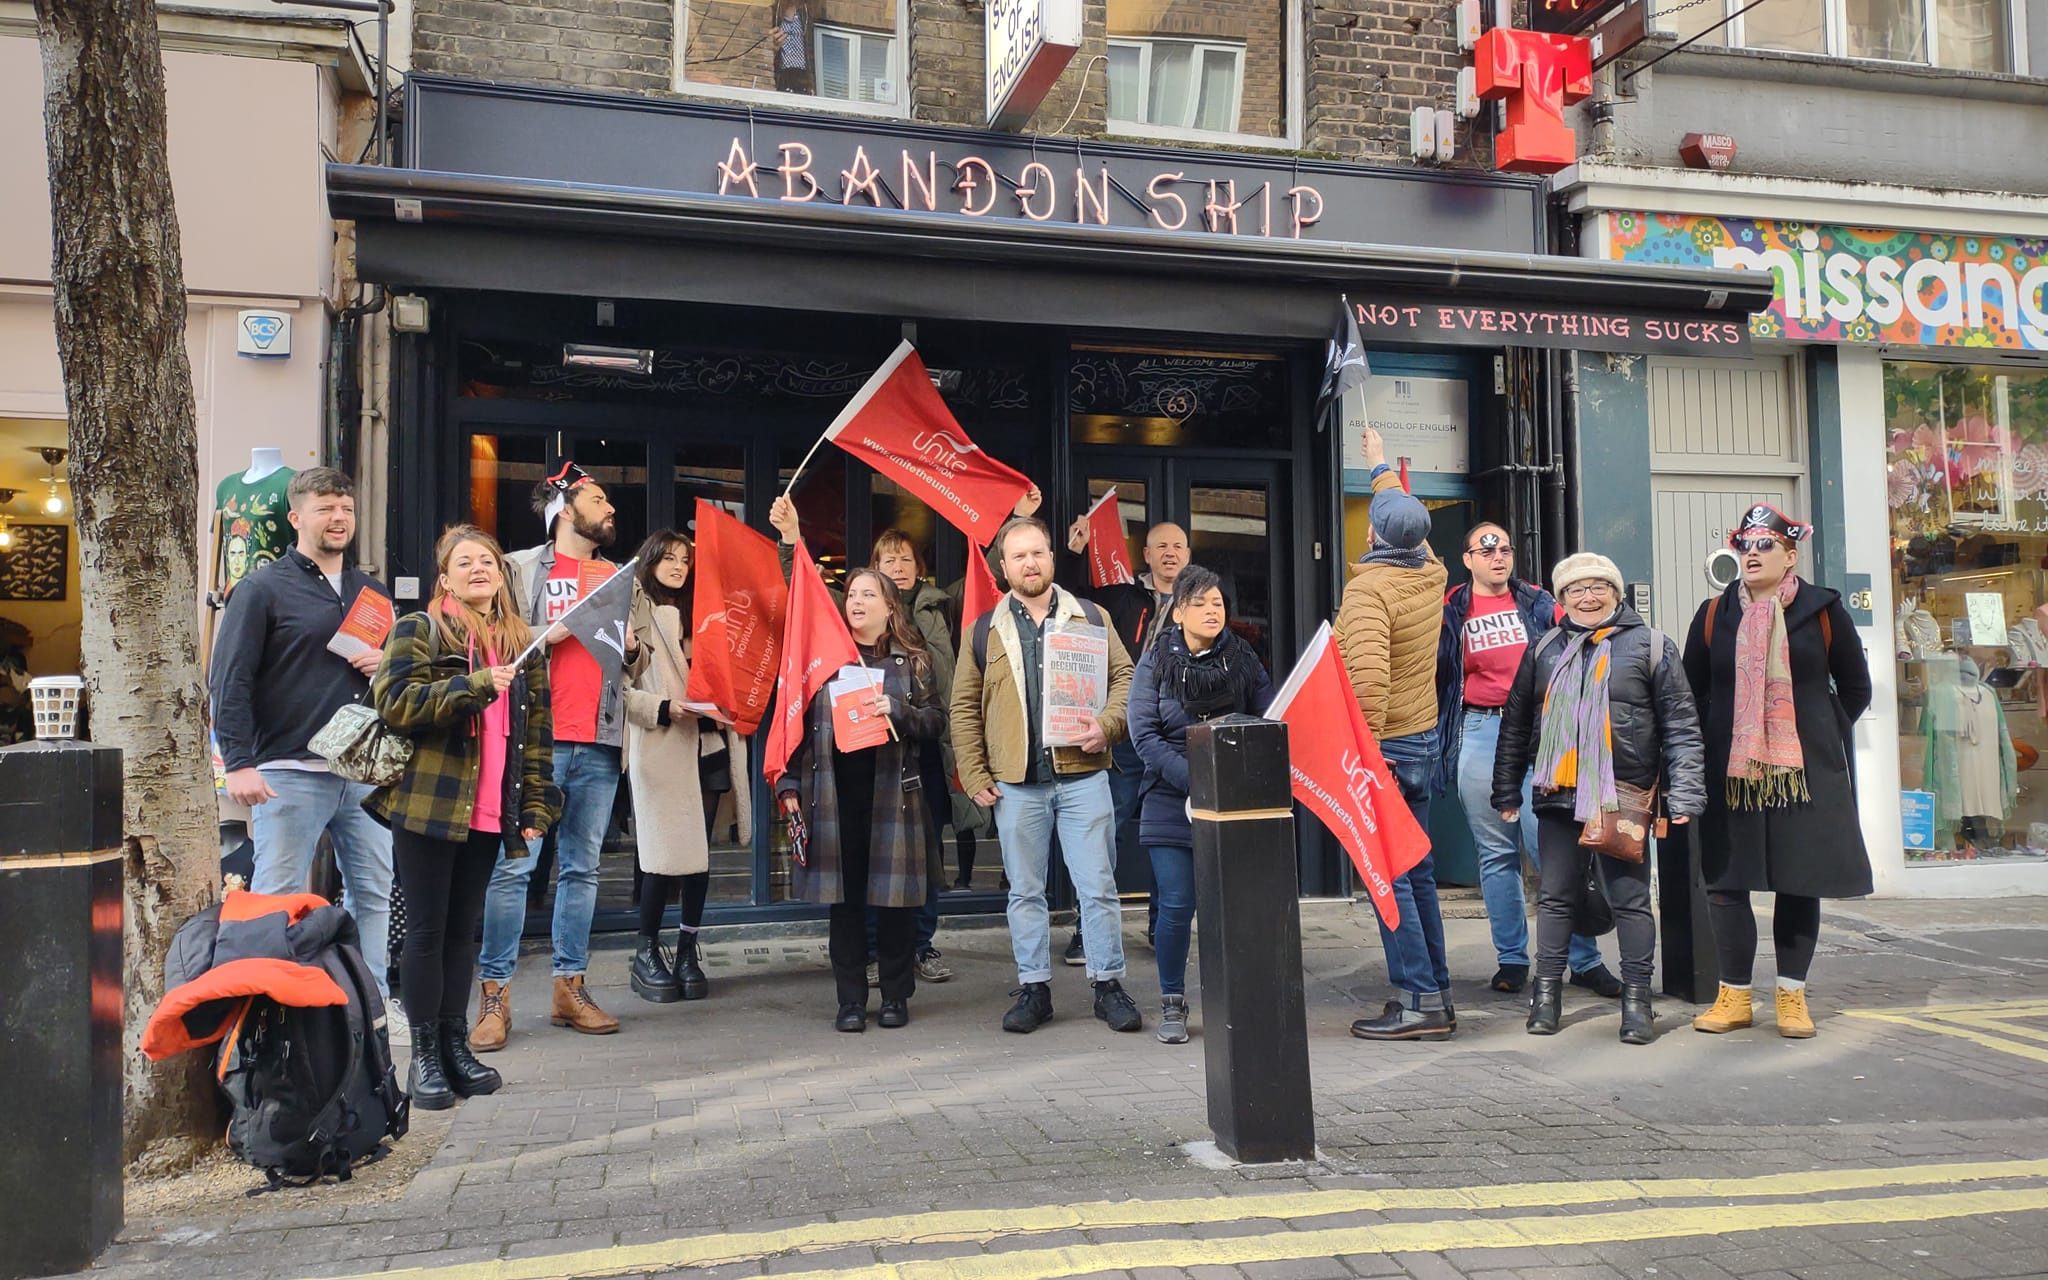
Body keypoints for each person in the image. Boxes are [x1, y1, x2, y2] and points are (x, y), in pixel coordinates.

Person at [367, 526, 557, 1109]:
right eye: (465, 562)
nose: (479, 569)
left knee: (461, 932)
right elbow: (395, 703)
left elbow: (537, 739)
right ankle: (424, 1056)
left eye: (489, 562)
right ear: (443, 578)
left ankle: (454, 1045)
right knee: (426, 931)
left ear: (502, 575)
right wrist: (473, 685)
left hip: (488, 808)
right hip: (429, 803)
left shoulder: (523, 645)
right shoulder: (418, 629)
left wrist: (534, 803)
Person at [1493, 552, 1706, 1044]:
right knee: (1555, 898)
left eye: (1597, 588)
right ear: (1562, 598)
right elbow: (1516, 725)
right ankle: (1545, 998)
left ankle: (1637, 1003)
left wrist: (1685, 794)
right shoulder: (1544, 648)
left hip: (1622, 795)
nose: (1588, 597)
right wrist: (1506, 788)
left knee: (1631, 901)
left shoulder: (1652, 646)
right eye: (1575, 590)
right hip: (1557, 792)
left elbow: (1680, 725)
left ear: (1615, 592)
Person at [1681, 505, 1872, 1039]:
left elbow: (1856, 688)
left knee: (1797, 880)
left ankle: (1791, 997)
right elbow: (1691, 689)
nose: (1753, 555)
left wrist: (1815, 733)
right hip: (1731, 770)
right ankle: (1734, 996)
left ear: (1791, 556)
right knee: (1726, 881)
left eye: (1766, 546)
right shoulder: (1715, 614)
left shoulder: (1824, 612)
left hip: (1802, 772)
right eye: (1746, 545)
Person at [209, 466, 395, 999]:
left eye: (346, 509)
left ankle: (371, 1003)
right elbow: (230, 679)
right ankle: (273, 1011)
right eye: (325, 509)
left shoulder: (372, 594)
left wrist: (386, 665)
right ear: (296, 518)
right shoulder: (260, 588)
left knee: (374, 894)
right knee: (277, 896)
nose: (339, 518)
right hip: (288, 770)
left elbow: (393, 683)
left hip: (364, 773)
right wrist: (238, 762)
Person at [952, 516, 1142, 1034]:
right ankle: (1034, 989)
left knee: (1098, 887)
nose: (1029, 563)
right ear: (1004, 567)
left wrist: (1108, 726)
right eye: (1019, 556)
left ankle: (1108, 985)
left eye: (1038, 553)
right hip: (1016, 783)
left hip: (1082, 777)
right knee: (1025, 892)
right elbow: (964, 707)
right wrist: (973, 772)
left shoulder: (1093, 616)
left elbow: (1127, 679)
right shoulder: (983, 630)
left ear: (1052, 559)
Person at [473, 462, 635, 1049]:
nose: (610, 507)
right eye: (599, 497)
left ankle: (570, 987)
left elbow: (622, 657)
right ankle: (495, 995)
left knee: (582, 869)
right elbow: (496, 639)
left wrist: (631, 648)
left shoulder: (617, 575)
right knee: (513, 867)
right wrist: (557, 628)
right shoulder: (518, 567)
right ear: (567, 508)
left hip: (599, 737)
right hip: (535, 737)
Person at [1435, 522, 1621, 999]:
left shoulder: (1539, 602)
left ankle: (1584, 960)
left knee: (1554, 849)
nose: (1498, 557)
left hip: (1544, 733)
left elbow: (1582, 641)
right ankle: (1512, 960)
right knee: (1496, 853)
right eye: (1487, 549)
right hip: (1480, 729)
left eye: (1505, 549)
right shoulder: (1452, 608)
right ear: (1468, 559)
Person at [776, 569, 945, 1031]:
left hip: (894, 795)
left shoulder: (913, 662)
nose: (857, 601)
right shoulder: (824, 660)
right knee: (845, 905)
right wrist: (787, 783)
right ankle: (849, 1001)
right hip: (832, 794)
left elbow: (936, 722)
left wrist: (901, 712)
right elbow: (795, 727)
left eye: (869, 594)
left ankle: (895, 996)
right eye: (852, 594)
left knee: (895, 905)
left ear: (890, 607)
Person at [1336, 429, 1453, 1042]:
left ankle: (1416, 1000)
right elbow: (1407, 522)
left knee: (1391, 877)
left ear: (1375, 535)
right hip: (1425, 742)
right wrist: (1380, 465)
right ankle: (1438, 991)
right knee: (1421, 872)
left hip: (1388, 746)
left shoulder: (1369, 591)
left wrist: (1366, 758)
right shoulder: (1430, 573)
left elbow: (1366, 681)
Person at [1128, 565, 1274, 1044]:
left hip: (1233, 799)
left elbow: (1268, 717)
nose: (1213, 611)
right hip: (1173, 798)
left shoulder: (1244, 657)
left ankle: (1234, 999)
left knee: (1233, 907)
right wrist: (1194, 781)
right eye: (1201, 603)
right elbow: (1144, 736)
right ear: (1178, 610)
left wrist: (1228, 778)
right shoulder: (1155, 662)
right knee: (1176, 904)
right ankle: (1172, 1000)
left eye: (1219, 603)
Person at [622, 530, 751, 1004]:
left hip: (710, 741)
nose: (678, 565)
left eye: (685, 559)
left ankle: (687, 949)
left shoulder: (706, 613)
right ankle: (646, 950)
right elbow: (616, 690)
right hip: (661, 742)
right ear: (649, 558)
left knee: (697, 858)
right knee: (659, 859)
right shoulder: (633, 611)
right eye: (669, 557)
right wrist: (663, 708)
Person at [1061, 515, 1191, 964]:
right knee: (1103, 833)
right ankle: (1087, 931)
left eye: (1178, 546)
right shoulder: (1121, 597)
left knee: (1171, 835)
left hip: (1177, 740)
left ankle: (1163, 927)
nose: (1171, 553)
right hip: (1126, 737)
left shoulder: (1202, 602)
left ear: (1188, 556)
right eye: (1162, 546)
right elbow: (1071, 605)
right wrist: (1075, 553)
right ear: (1148, 555)